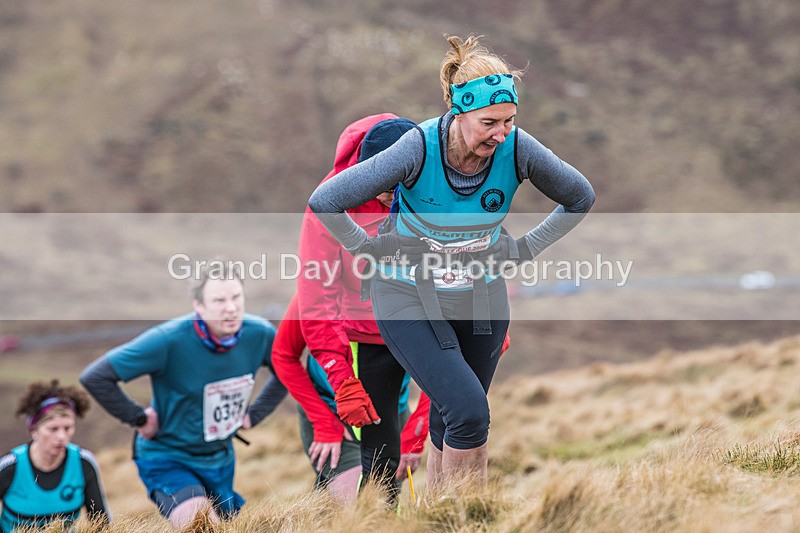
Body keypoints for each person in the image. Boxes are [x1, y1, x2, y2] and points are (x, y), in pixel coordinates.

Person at [308, 35, 595, 489]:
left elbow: (580, 197)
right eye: (489, 122)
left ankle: (448, 515)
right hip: (405, 294)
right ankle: (467, 515)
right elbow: (326, 201)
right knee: (468, 411)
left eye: (509, 120)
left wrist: (523, 249)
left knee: (453, 419)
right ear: (458, 112)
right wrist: (370, 249)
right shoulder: (416, 148)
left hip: (480, 295)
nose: (501, 133)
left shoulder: (517, 148)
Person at [272, 114, 429, 504]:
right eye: (383, 188)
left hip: (391, 385)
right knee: (352, 491)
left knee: (396, 472)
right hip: (336, 401)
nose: (392, 197)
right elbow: (286, 349)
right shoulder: (331, 206)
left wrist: (421, 423)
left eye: (402, 187)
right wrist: (331, 408)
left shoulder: (433, 194)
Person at [80, 263, 287, 529]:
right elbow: (95, 376)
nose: (231, 308)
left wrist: (254, 415)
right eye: (219, 300)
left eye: (236, 297)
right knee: (202, 526)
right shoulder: (168, 340)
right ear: (198, 306)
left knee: (232, 525)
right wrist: (139, 418)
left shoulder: (259, 334)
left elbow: (287, 370)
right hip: (167, 457)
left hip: (220, 458)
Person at [0, 379, 110, 532]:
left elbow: (102, 524)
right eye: (53, 429)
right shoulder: (10, 466)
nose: (62, 436)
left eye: (68, 427)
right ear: (34, 430)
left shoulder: (84, 462)